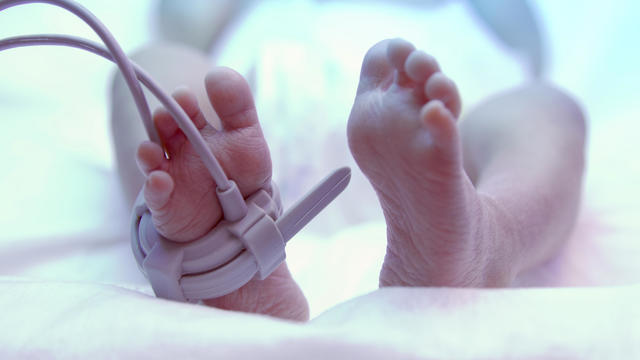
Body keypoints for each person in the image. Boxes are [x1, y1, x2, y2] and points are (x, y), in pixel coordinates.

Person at [124, 38, 585, 322]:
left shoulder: (469, 19)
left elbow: (528, 38)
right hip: (238, 141)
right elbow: (184, 17)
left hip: (436, 145)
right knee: (150, 63)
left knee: (545, 106)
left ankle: (486, 237)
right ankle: (206, 245)